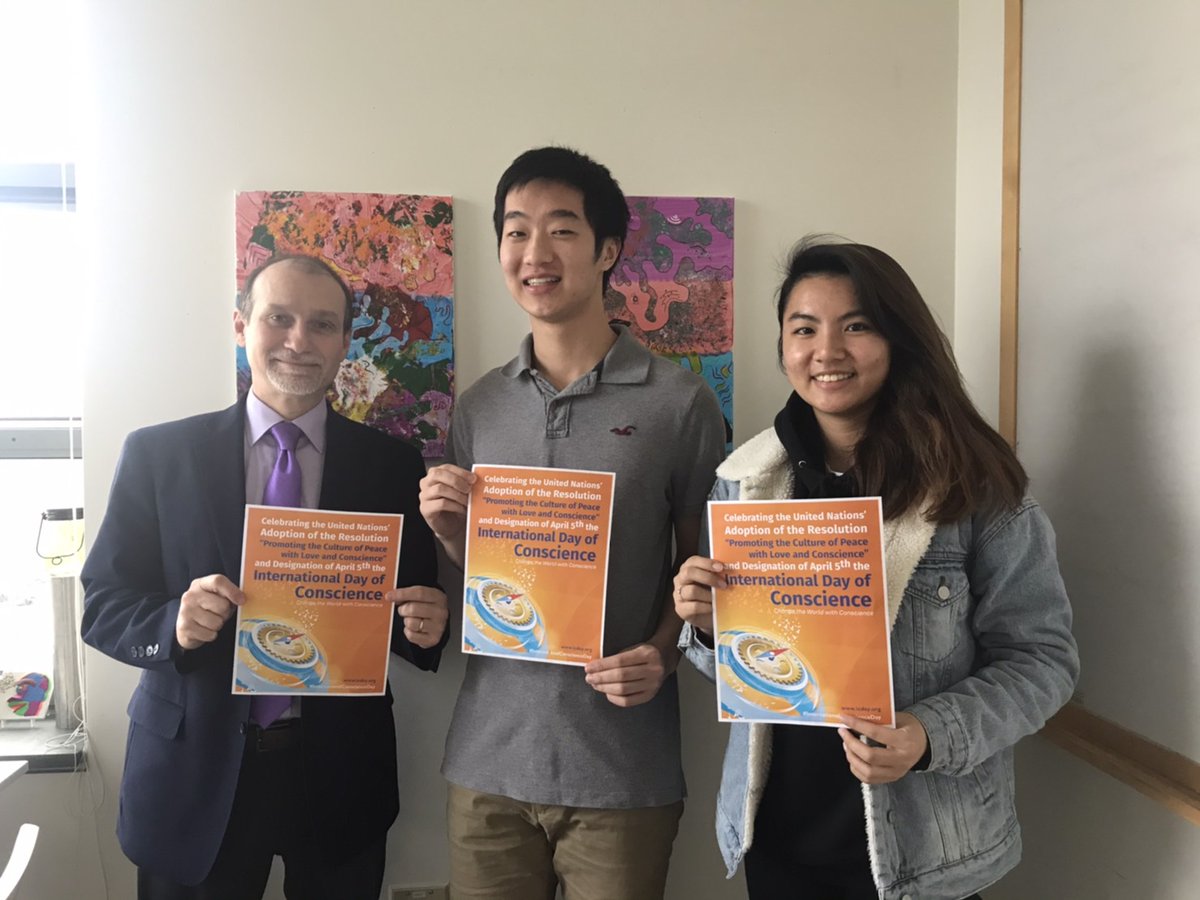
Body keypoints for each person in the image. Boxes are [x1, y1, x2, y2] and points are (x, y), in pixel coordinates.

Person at [673, 237, 1079, 900]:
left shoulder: (973, 488)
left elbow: (1043, 662)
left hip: (926, 850)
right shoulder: (744, 484)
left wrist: (928, 734)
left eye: (856, 326)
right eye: (804, 328)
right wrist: (709, 628)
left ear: (898, 339)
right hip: (776, 839)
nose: (826, 351)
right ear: (783, 345)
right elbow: (740, 676)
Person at [80, 254, 450, 900]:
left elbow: (414, 616)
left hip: (339, 770)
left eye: (322, 324)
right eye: (279, 318)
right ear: (241, 325)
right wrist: (173, 624)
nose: (299, 341)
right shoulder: (159, 454)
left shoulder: (392, 465)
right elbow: (103, 606)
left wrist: (428, 624)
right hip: (191, 772)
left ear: (344, 342)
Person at [419, 147, 726, 899]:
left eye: (561, 230)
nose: (535, 253)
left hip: (623, 768)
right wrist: (449, 530)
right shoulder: (480, 406)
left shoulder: (679, 403)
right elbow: (486, 575)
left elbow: (705, 574)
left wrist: (663, 653)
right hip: (488, 764)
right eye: (516, 232)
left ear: (607, 250)